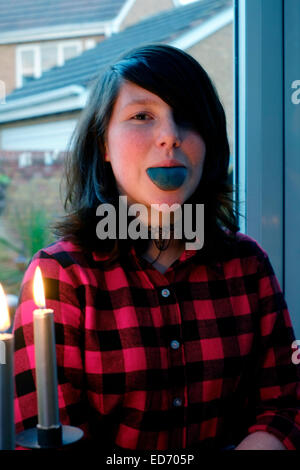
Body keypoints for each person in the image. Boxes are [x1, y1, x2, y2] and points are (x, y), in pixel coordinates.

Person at [13, 44, 300, 451]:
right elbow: (40, 433)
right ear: (104, 147)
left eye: (186, 118)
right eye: (142, 116)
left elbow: (285, 405)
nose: (170, 136)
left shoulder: (247, 265)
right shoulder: (60, 278)